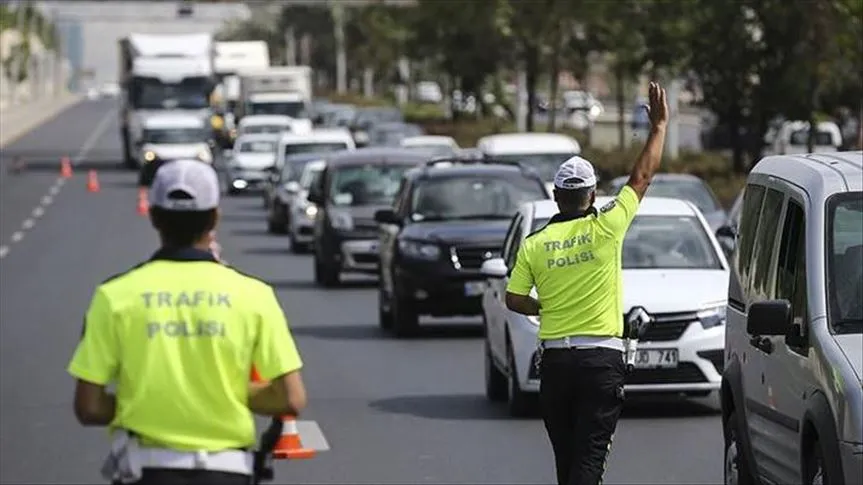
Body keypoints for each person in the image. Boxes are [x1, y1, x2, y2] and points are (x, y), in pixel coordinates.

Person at [67, 159, 307, 485]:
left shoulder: (114, 296)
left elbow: (88, 406)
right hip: (229, 470)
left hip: (145, 471)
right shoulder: (254, 295)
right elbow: (291, 399)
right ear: (215, 218)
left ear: (153, 216)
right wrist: (222, 392)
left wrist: (150, 400)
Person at [504, 82, 669, 485]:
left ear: (557, 196)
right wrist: (659, 127)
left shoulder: (535, 244)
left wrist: (544, 307)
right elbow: (642, 176)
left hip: (557, 365)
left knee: (568, 462)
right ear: (593, 195)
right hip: (601, 363)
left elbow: (513, 298)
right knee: (589, 461)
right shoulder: (608, 226)